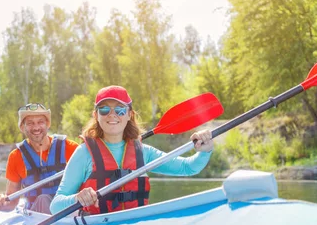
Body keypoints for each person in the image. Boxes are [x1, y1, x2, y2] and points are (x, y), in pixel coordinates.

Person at [50, 85, 214, 215]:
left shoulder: (143, 152)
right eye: (105, 109)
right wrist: (78, 199)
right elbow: (56, 205)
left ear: (129, 115)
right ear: (96, 115)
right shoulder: (84, 153)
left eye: (120, 110)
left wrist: (204, 150)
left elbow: (188, 167)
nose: (112, 115)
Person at [0, 103, 79, 214]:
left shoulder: (70, 147)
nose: (36, 127)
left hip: (69, 209)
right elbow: (11, 203)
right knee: (43, 199)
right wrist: (0, 202)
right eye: (30, 123)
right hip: (37, 215)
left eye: (40, 122)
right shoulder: (16, 156)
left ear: (47, 124)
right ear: (22, 127)